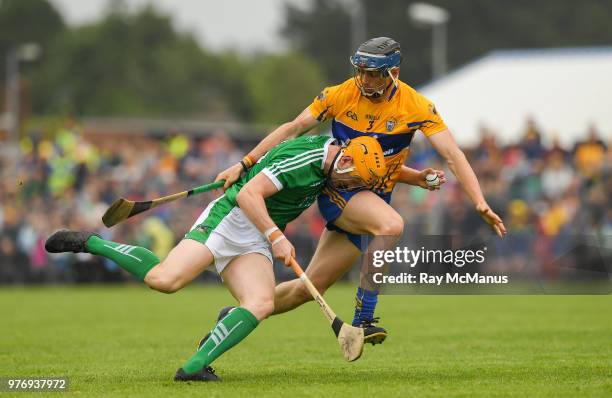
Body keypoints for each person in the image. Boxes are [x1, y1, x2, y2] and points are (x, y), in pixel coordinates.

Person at [215, 37, 507, 344]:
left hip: (372, 199)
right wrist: (245, 163)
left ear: (393, 72)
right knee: (391, 224)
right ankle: (364, 319)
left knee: (307, 288)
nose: (365, 79)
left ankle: (239, 314)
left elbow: (452, 155)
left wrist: (476, 200)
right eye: (361, 71)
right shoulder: (341, 94)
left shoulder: (416, 106)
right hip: (339, 191)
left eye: (374, 73)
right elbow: (292, 128)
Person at [45, 135, 387, 382]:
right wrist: (277, 237)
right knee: (164, 281)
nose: (350, 187)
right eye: (353, 180)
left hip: (254, 233)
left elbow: (286, 136)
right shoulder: (307, 162)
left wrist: (244, 164)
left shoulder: (337, 159)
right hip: (231, 218)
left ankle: (194, 367)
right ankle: (92, 243)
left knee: (261, 302)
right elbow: (250, 195)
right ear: (343, 160)